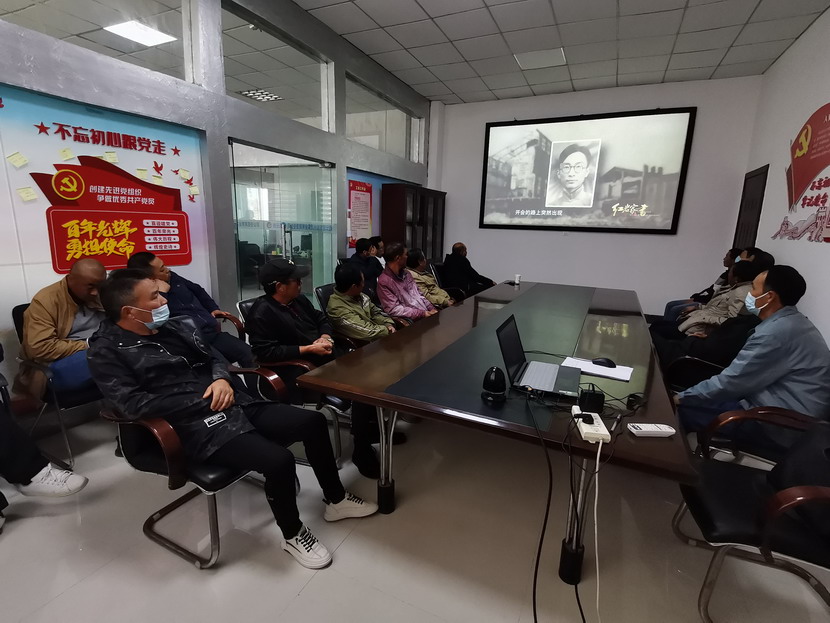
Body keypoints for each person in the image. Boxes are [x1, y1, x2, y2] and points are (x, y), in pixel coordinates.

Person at [87, 269, 376, 569]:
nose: (164, 300)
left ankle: (336, 500)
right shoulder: (106, 351)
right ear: (130, 311)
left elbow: (214, 358)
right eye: (154, 297)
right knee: (278, 461)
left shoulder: (176, 326)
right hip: (194, 426)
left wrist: (221, 380)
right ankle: (293, 534)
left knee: (312, 423)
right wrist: (203, 399)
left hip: (236, 402)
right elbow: (131, 404)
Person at [245, 259, 395, 478]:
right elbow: (265, 353)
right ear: (280, 287)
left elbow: (320, 318)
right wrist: (307, 349)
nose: (300, 284)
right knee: (361, 388)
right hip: (297, 370)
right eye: (296, 280)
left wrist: (325, 336)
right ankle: (361, 450)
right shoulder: (261, 313)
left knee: (371, 372)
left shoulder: (298, 300)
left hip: (324, 356)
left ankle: (369, 429)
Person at [674, 265, 830, 454]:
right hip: (774, 408)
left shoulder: (776, 333)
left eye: (754, 288)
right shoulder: (794, 322)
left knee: (677, 412)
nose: (749, 294)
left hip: (777, 424)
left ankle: (676, 467)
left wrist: (681, 398)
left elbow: (732, 382)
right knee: (693, 401)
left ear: (769, 296)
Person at [126, 252, 253, 367]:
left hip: (210, 332)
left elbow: (198, 290)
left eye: (164, 266)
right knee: (223, 368)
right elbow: (154, 319)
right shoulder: (145, 296)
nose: (168, 270)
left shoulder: (172, 277)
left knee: (250, 355)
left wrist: (213, 308)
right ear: (150, 277)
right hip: (190, 341)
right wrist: (163, 292)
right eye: (162, 269)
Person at [15, 258, 107, 399]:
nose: (95, 292)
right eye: (90, 286)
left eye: (100, 286)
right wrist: (88, 344)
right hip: (56, 364)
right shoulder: (46, 301)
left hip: (99, 351)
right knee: (109, 356)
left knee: (134, 350)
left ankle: (128, 407)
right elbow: (40, 348)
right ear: (70, 279)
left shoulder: (103, 294)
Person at [676, 260, 761, 336]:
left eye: (730, 272)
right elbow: (719, 308)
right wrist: (698, 307)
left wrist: (704, 318)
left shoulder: (741, 292)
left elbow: (731, 321)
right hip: (697, 321)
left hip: (699, 329)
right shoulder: (735, 288)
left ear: (736, 278)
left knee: (668, 327)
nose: (728, 275)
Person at [663, 248, 742, 322]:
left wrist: (697, 299)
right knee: (670, 304)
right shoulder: (725, 275)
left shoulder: (730, 279)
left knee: (674, 309)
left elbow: (714, 295)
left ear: (734, 259)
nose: (724, 258)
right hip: (702, 298)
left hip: (707, 303)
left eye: (727, 256)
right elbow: (712, 289)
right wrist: (697, 296)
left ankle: (669, 329)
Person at [327, 264, 396, 342]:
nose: (364, 285)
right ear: (354, 287)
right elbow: (366, 332)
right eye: (363, 281)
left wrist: (387, 323)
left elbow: (375, 312)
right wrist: (386, 330)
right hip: (363, 344)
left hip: (379, 337)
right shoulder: (337, 309)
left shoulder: (359, 296)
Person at [377, 243, 437, 321]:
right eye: (405, 254)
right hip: (413, 320)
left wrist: (431, 308)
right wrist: (422, 313)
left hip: (426, 314)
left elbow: (419, 295)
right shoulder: (384, 281)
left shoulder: (406, 273)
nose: (407, 257)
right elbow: (394, 309)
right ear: (398, 258)